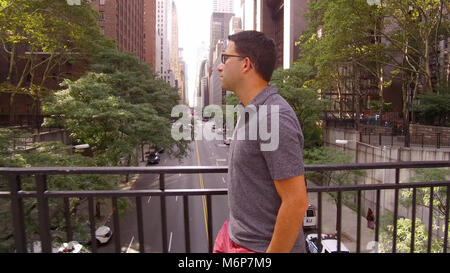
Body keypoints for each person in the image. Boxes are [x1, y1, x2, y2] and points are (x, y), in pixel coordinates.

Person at [213, 31, 309, 253]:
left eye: (225, 58)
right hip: (235, 237)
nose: (220, 66)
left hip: (259, 248)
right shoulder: (250, 110)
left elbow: (296, 202)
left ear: (246, 64)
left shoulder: (273, 118)